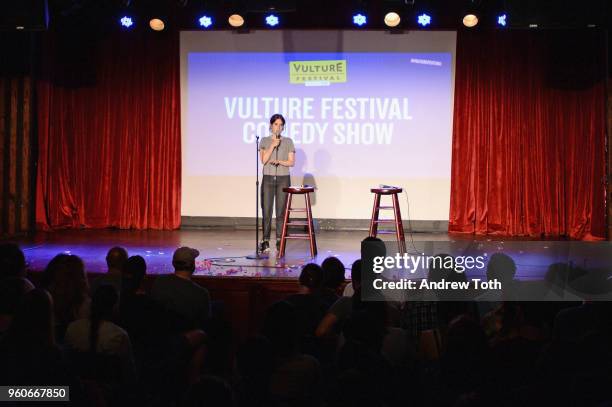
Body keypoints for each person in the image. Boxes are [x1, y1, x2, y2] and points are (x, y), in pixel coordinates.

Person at [259, 113, 295, 253]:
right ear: (271, 125)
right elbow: (263, 160)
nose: (278, 127)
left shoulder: (288, 141)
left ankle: (280, 239)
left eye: (281, 125)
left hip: (283, 178)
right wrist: (272, 145)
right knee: (266, 210)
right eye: (276, 124)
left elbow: (292, 162)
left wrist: (280, 162)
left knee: (280, 212)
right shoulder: (264, 141)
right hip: (268, 177)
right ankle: (265, 240)